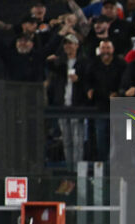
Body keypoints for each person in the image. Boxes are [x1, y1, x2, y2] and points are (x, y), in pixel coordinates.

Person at [46, 34, 88, 171]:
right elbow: (48, 63)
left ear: (77, 45)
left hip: (77, 105)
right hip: (63, 105)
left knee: (78, 140)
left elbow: (89, 82)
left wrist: (79, 80)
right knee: (67, 140)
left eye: (71, 43)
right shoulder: (60, 63)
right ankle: (70, 169)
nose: (68, 46)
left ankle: (78, 169)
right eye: (66, 44)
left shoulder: (83, 62)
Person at [85, 39, 126, 161]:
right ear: (99, 50)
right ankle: (103, 166)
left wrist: (119, 93)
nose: (106, 51)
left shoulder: (121, 64)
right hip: (100, 106)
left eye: (108, 48)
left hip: (118, 107)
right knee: (101, 137)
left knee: (119, 138)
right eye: (103, 48)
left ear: (113, 50)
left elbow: (126, 81)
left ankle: (118, 166)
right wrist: (89, 90)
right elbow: (87, 81)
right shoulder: (93, 63)